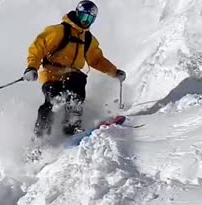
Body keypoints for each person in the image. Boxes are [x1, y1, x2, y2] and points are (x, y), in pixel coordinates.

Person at [23, 0, 126, 137]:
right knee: (53, 99)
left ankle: (71, 123)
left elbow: (96, 59)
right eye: (84, 16)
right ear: (77, 13)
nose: (86, 21)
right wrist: (32, 67)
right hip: (52, 74)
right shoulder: (58, 31)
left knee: (78, 80)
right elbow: (38, 47)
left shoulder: (88, 39)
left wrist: (114, 72)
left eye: (90, 18)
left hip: (72, 74)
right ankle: (40, 137)